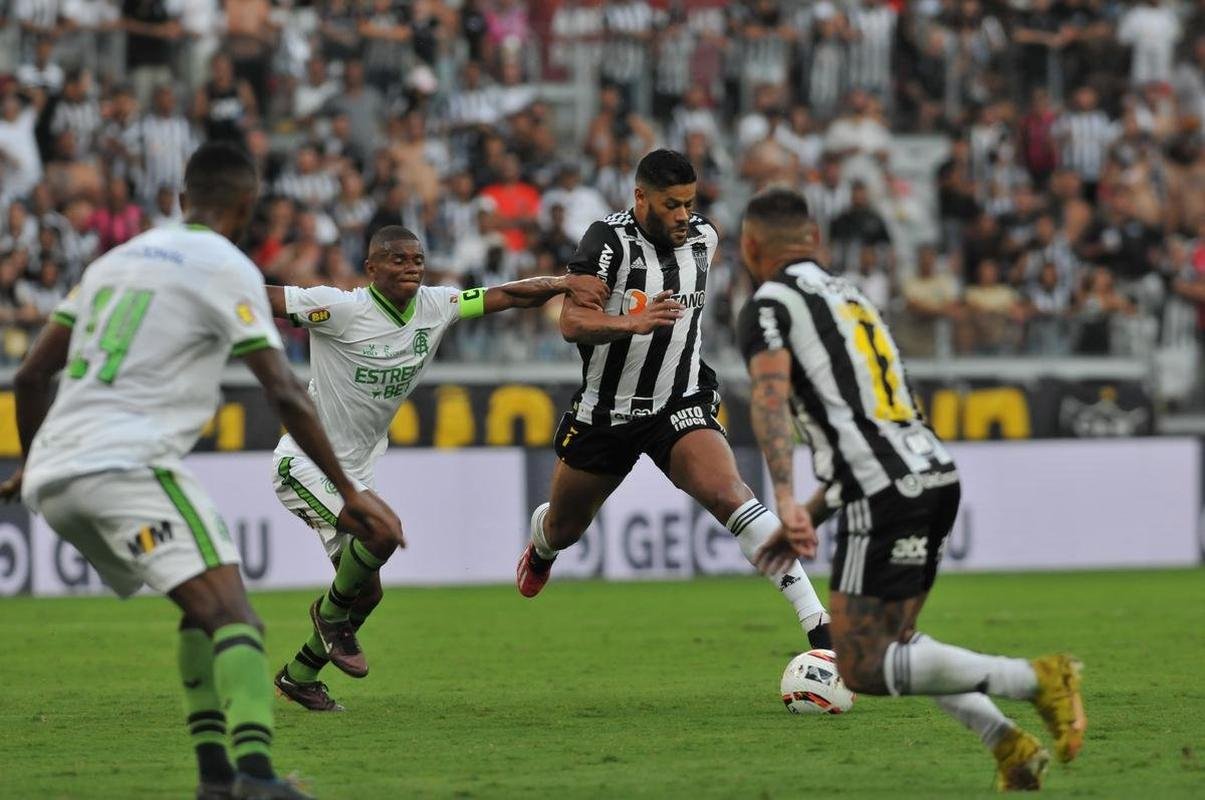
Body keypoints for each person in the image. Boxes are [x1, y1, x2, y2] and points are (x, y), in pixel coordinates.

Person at [0, 142, 403, 800]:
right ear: (245, 208)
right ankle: (253, 776)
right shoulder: (227, 265)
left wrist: (29, 463)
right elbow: (282, 390)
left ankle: (215, 779)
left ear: (183, 201)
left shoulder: (114, 261)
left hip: (55, 474)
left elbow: (30, 374)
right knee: (237, 618)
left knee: (201, 611)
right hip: (125, 462)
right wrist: (350, 489)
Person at [735, 187, 1086, 791]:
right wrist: (815, 513)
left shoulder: (767, 305)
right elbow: (872, 415)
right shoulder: (853, 296)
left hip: (883, 490)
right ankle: (1009, 746)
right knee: (896, 641)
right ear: (814, 239)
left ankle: (1037, 680)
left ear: (748, 246)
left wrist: (788, 501)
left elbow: (769, 396)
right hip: (930, 471)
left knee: (861, 663)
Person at [267, 225, 608, 711]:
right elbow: (268, 300)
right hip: (302, 463)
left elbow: (506, 295)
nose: (411, 268)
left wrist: (562, 283)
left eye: (417, 260)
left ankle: (300, 676)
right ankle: (330, 617)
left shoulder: (437, 305)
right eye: (398, 260)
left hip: (355, 471)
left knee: (368, 595)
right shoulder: (339, 308)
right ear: (371, 269)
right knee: (382, 533)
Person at [516, 150, 833, 654]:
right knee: (564, 528)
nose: (684, 215)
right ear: (641, 197)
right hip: (607, 413)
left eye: (690, 202)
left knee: (732, 494)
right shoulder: (608, 241)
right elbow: (572, 323)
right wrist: (631, 323)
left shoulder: (705, 238)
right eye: (671, 204)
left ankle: (818, 623)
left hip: (678, 403)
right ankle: (542, 543)